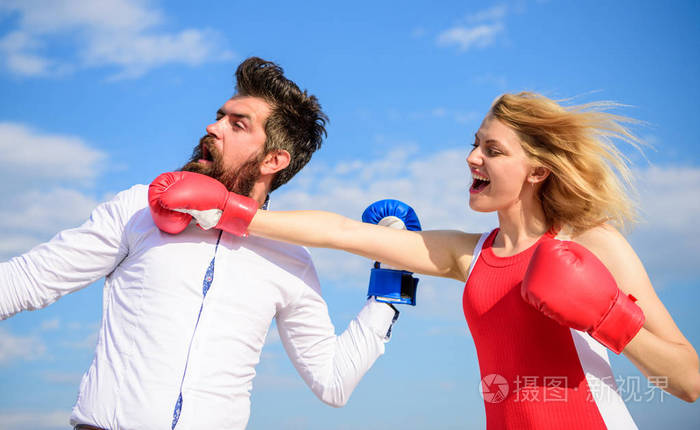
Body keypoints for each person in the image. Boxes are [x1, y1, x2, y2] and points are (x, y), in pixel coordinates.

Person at [156, 92, 700, 428]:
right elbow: (343, 232)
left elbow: (688, 381)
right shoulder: (471, 255)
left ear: (537, 171)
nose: (472, 157)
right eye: (475, 144)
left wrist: (610, 320)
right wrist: (229, 209)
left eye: (493, 149)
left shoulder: (594, 244)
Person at [0, 57, 402, 430]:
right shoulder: (138, 208)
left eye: (237, 124)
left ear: (273, 161)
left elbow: (333, 381)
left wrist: (388, 293)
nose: (213, 128)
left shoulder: (290, 256)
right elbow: (24, 283)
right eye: (218, 116)